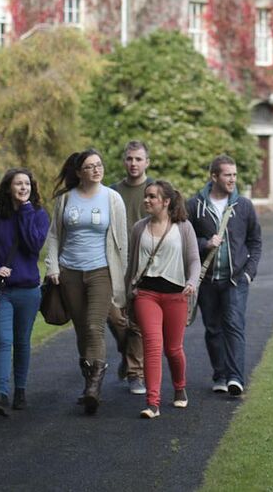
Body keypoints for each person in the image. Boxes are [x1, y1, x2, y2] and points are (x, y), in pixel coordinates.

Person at [44, 149, 129, 415]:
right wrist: (53, 266)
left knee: (95, 326)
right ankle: (88, 379)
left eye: (99, 165)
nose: (96, 170)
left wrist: (121, 275)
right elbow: (55, 235)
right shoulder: (66, 199)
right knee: (82, 329)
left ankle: (94, 387)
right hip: (70, 271)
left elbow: (121, 242)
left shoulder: (112, 198)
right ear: (79, 172)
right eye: (90, 166)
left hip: (101, 271)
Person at [0, 168, 50, 417]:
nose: (23, 187)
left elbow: (34, 244)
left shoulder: (38, 215)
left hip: (29, 292)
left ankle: (20, 390)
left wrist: (26, 210)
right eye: (18, 184)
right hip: (3, 293)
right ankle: (1, 395)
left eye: (27, 184)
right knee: (3, 341)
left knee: (22, 342)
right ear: (8, 187)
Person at [187, 155, 262, 397]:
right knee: (213, 328)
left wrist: (249, 273)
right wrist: (205, 243)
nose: (232, 179)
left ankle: (235, 378)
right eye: (228, 175)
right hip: (207, 280)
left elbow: (255, 242)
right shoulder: (194, 206)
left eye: (235, 175)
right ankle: (219, 374)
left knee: (234, 325)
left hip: (235, 279)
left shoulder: (244, 206)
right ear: (214, 177)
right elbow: (184, 239)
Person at [125, 180, 201, 419]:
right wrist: (128, 293)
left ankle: (179, 388)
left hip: (176, 294)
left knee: (173, 349)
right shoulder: (139, 228)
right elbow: (131, 264)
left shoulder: (184, 227)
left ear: (166, 201)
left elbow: (194, 261)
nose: (146, 200)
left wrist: (192, 282)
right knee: (152, 344)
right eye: (146, 196)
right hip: (147, 294)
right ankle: (152, 403)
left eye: (152, 197)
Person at [107, 141, 153, 395]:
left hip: (146, 266)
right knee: (115, 318)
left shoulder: (155, 190)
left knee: (137, 323)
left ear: (147, 162)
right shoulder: (112, 192)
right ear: (124, 161)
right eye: (129, 159)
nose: (133, 163)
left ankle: (136, 373)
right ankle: (128, 356)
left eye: (138, 159)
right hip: (115, 265)